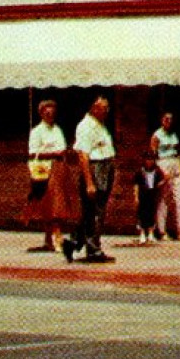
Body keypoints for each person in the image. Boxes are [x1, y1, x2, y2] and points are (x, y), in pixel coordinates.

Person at [64, 95, 117, 264]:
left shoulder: (99, 125)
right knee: (96, 211)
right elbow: (83, 156)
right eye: (104, 107)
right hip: (96, 168)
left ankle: (73, 242)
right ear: (94, 108)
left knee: (92, 211)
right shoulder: (86, 126)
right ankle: (93, 249)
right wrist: (89, 182)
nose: (107, 111)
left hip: (105, 166)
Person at [23, 100, 70, 252]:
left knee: (58, 204)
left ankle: (51, 237)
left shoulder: (57, 130)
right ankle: (54, 236)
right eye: (47, 113)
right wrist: (51, 153)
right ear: (42, 113)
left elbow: (62, 148)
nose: (50, 115)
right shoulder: (36, 131)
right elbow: (32, 152)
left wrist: (60, 154)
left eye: (52, 113)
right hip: (43, 170)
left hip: (58, 169)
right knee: (48, 204)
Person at [150, 111, 180, 241]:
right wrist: (161, 172)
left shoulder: (174, 135)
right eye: (166, 119)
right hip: (163, 162)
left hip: (175, 163)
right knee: (163, 199)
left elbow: (178, 153)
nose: (168, 121)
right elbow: (153, 155)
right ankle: (161, 231)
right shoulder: (157, 135)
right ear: (162, 120)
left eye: (171, 119)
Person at [132, 152, 167, 244]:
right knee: (142, 213)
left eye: (151, 160)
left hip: (152, 194)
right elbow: (136, 185)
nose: (149, 162)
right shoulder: (140, 171)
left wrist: (162, 182)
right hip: (143, 194)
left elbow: (162, 180)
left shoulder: (157, 171)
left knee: (151, 213)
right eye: (147, 159)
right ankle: (142, 233)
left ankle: (151, 233)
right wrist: (136, 196)